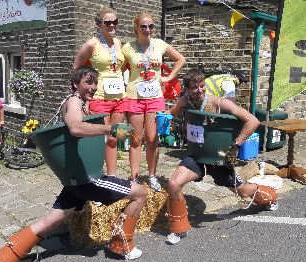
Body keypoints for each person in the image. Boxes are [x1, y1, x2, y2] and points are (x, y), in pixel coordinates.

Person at [0, 66, 147, 262]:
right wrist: (110, 129)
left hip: (76, 178)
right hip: (88, 179)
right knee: (140, 193)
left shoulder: (80, 103)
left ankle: (3, 259)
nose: (92, 87)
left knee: (50, 222)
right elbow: (75, 128)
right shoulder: (73, 101)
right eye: (87, 82)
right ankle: (121, 244)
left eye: (94, 82)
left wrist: (109, 133)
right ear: (75, 85)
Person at [165, 69, 277, 244]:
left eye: (202, 86)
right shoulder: (185, 101)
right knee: (173, 184)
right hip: (196, 156)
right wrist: (165, 124)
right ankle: (179, 228)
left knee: (242, 191)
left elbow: (253, 121)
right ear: (186, 89)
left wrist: (236, 145)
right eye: (194, 88)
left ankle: (269, 197)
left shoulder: (218, 103)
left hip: (219, 159)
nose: (200, 90)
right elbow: (169, 114)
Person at [122, 12, 185, 191]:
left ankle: (151, 175)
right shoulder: (128, 48)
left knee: (152, 138)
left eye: (151, 26)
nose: (147, 29)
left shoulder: (160, 44)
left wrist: (168, 77)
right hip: (134, 96)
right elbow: (115, 67)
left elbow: (181, 59)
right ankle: (134, 178)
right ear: (136, 28)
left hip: (155, 98)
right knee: (135, 139)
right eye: (143, 26)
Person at [73, 6, 126, 177]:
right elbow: (77, 68)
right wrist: (82, 94)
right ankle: (93, 175)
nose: (112, 25)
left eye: (115, 22)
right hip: (100, 97)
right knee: (98, 139)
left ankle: (111, 176)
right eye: (108, 22)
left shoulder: (118, 42)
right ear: (99, 24)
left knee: (114, 137)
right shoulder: (91, 44)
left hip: (119, 98)